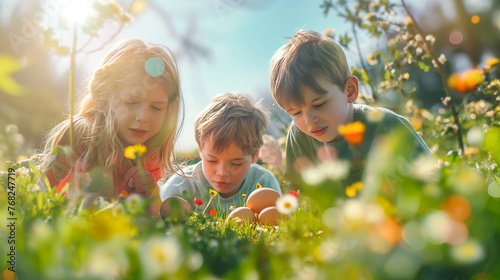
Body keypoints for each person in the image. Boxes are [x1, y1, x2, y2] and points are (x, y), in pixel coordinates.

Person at [269, 29, 430, 188]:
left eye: (318, 104)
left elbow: (431, 177)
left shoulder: (387, 126)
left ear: (350, 90)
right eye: (296, 112)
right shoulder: (299, 138)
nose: (309, 120)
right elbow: (297, 193)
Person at [42, 39, 183, 200]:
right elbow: (39, 196)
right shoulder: (81, 136)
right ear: (106, 97)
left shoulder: (150, 156)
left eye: (157, 107)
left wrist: (151, 192)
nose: (143, 117)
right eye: (131, 102)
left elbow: (146, 217)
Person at [159, 93, 282, 216]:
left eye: (236, 163)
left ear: (255, 155)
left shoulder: (264, 184)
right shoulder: (180, 187)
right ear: (200, 151)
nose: (222, 172)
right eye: (212, 160)